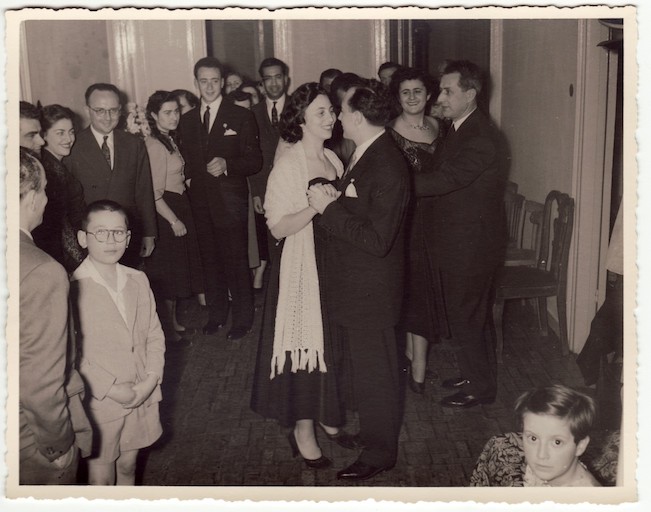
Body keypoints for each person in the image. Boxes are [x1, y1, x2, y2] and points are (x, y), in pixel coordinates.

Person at [307, 80, 410, 481]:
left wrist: (330, 209)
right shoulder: (368, 152)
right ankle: (374, 433)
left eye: (341, 110)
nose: (336, 116)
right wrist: (334, 193)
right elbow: (363, 205)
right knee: (368, 374)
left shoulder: (386, 162)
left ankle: (381, 453)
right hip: (360, 288)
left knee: (378, 375)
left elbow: (378, 239)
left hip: (373, 292)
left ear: (356, 116)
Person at [251, 82, 356, 469]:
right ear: (302, 120)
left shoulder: (333, 159)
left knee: (332, 344)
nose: (331, 118)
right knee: (305, 353)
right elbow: (277, 228)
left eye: (331, 111)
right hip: (301, 266)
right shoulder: (289, 164)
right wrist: (317, 206)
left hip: (334, 267)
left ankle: (329, 416)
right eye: (322, 113)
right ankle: (303, 430)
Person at [413, 60, 506, 408]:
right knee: (471, 316)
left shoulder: (480, 137)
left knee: (467, 315)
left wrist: (397, 186)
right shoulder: (458, 128)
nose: (441, 97)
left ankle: (480, 389)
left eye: (448, 91)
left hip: (472, 245)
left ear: (471, 94)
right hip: (462, 240)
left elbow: (447, 180)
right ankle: (475, 374)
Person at [70, 200, 165, 485]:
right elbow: (71, 353)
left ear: (128, 237)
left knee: (127, 466)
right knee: (101, 478)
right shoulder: (72, 287)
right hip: (101, 401)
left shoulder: (138, 279)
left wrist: (150, 380)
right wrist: (110, 389)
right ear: (82, 238)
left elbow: (153, 333)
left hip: (141, 392)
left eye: (118, 232)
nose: (111, 240)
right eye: (101, 232)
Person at [178, 56, 262, 340]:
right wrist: (188, 178)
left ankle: (242, 319)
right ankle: (216, 316)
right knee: (209, 261)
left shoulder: (240, 115)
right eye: (204, 81)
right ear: (196, 83)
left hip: (230, 203)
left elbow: (255, 160)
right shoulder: (187, 121)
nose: (210, 86)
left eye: (215, 81)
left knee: (236, 262)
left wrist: (228, 164)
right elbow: (187, 160)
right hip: (200, 202)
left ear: (223, 82)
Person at [19, 148, 88, 484]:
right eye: (44, 189)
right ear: (31, 197)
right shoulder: (41, 270)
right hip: (28, 440)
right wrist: (57, 444)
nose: (47, 199)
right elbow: (39, 381)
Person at [386, 68, 442, 394]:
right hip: (407, 222)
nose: (411, 97)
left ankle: (411, 355)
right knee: (416, 290)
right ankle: (418, 367)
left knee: (423, 289)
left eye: (417, 91)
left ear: (428, 94)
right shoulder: (391, 131)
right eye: (405, 92)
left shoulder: (438, 126)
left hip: (437, 220)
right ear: (397, 96)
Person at [65, 82, 157, 268]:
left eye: (113, 111)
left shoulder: (133, 144)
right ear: (87, 110)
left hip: (126, 235)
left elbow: (144, 190)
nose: (107, 117)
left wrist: (149, 232)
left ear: (120, 110)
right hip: (90, 238)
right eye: (100, 110)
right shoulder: (73, 146)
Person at [144, 90, 205, 341]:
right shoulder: (155, 145)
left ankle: (173, 324)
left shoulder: (169, 139)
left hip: (178, 203)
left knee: (176, 271)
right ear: (153, 115)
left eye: (176, 111)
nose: (173, 117)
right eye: (167, 113)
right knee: (168, 274)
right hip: (167, 210)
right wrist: (174, 220)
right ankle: (168, 332)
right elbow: (154, 193)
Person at [470, 385, 601, 487]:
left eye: (557, 442)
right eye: (533, 438)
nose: (540, 455)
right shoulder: (548, 469)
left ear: (581, 446)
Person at [249, 57, 291, 287]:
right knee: (269, 241)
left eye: (278, 77)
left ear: (286, 79)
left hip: (293, 187)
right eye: (268, 79)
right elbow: (251, 155)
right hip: (264, 189)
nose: (274, 83)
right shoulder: (252, 113)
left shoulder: (300, 108)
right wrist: (256, 191)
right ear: (261, 83)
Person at [31, 104, 86, 272]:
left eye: (71, 132)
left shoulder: (56, 165)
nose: (69, 139)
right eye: (60, 133)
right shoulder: (50, 170)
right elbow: (62, 224)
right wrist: (78, 260)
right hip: (59, 252)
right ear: (44, 135)